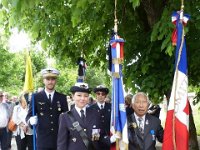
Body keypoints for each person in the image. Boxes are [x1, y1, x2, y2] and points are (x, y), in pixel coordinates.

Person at [57, 82, 112, 150]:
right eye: (79, 95)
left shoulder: (96, 114)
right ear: (73, 96)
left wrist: (112, 139)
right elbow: (62, 144)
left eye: (86, 96)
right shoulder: (65, 117)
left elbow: (100, 137)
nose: (82, 98)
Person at [26, 67, 68, 150]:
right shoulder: (36, 97)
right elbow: (28, 116)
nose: (50, 81)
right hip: (42, 140)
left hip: (59, 139)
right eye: (47, 79)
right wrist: (30, 121)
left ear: (56, 81)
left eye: (53, 79)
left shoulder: (62, 98)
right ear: (43, 80)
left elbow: (66, 117)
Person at [90, 85, 112, 150]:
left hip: (110, 139)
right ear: (96, 95)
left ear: (105, 96)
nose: (100, 95)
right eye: (98, 93)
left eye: (103, 94)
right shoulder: (90, 109)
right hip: (96, 141)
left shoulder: (111, 107)